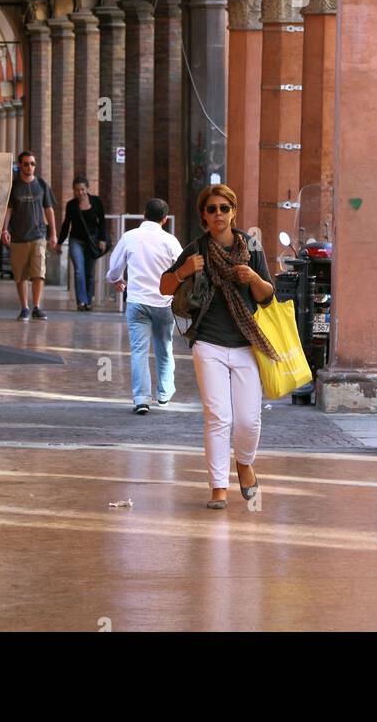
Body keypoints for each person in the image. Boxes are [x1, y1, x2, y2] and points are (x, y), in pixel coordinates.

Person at [159, 184, 276, 510]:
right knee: (218, 417)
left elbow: (268, 296)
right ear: (203, 216)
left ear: (234, 212)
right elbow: (165, 286)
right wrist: (184, 271)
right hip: (208, 343)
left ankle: (244, 463)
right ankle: (218, 489)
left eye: (224, 208)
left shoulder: (251, 246)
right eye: (212, 209)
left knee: (248, 420)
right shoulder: (196, 249)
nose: (218, 214)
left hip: (246, 344)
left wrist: (252, 277)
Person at [106, 199, 182, 413]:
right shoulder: (171, 241)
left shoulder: (130, 237)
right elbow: (184, 269)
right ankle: (165, 395)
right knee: (164, 349)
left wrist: (116, 279)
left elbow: (114, 267)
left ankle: (141, 398)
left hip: (137, 302)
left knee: (139, 351)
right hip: (164, 303)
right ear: (165, 219)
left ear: (143, 214)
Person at [2, 151, 57, 321]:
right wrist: (5, 229)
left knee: (38, 273)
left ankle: (37, 307)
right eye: (26, 164)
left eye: (32, 163)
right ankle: (24, 307)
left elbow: (49, 209)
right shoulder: (14, 186)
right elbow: (8, 210)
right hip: (18, 236)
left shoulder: (41, 184)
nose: (30, 167)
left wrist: (53, 233)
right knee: (20, 275)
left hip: (38, 235)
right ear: (20, 165)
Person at [58, 176, 109, 311]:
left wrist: (102, 239)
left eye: (82, 189)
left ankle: (89, 301)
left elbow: (102, 222)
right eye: (76, 190)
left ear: (87, 189)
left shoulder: (96, 202)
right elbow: (66, 225)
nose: (80, 193)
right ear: (73, 190)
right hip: (76, 241)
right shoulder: (71, 205)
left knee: (90, 272)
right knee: (79, 270)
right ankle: (82, 301)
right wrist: (59, 242)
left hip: (92, 241)